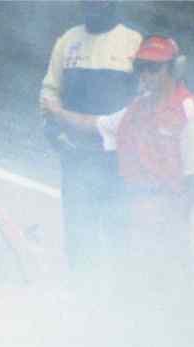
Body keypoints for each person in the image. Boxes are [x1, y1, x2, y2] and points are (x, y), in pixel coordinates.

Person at [43, 35, 194, 270]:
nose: (145, 74)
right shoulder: (138, 108)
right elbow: (96, 125)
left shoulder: (191, 112)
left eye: (153, 67)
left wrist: (173, 223)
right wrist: (58, 113)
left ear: (174, 69)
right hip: (133, 221)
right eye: (140, 66)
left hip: (170, 229)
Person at [40, 1, 143, 272]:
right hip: (76, 157)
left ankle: (118, 291)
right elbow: (50, 90)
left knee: (117, 233)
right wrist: (53, 130)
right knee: (77, 233)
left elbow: (143, 101)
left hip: (116, 162)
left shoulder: (132, 42)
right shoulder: (68, 40)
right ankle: (80, 289)